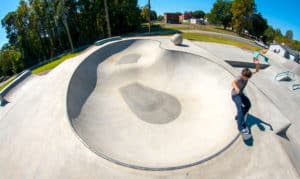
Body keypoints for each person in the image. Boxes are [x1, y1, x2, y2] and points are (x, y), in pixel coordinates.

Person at [231, 63, 260, 135]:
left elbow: (256, 71)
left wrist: (257, 64)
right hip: (235, 95)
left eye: (247, 78)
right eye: (245, 78)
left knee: (248, 104)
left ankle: (239, 117)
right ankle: (241, 127)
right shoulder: (239, 77)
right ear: (242, 75)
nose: (246, 79)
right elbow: (233, 82)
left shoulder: (248, 74)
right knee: (240, 108)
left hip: (241, 94)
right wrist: (236, 87)